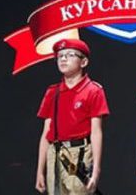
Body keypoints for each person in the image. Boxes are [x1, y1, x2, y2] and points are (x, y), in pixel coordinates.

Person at [35, 38, 109, 194]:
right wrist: (40, 171)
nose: (63, 59)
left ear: (83, 62)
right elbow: (46, 133)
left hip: (80, 153)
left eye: (70, 55)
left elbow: (96, 132)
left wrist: (96, 170)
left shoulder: (93, 90)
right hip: (55, 154)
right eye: (60, 56)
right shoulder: (52, 92)